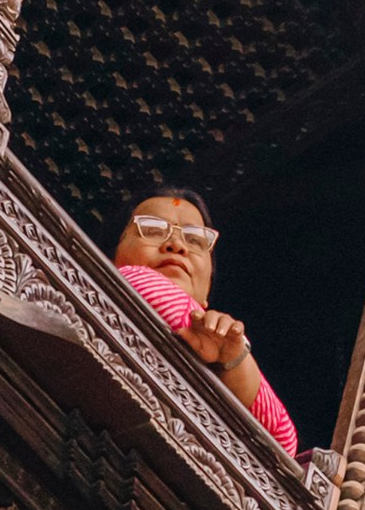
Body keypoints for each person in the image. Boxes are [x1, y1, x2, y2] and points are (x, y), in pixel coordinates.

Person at [113, 187, 298, 454]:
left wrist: (232, 358)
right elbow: (143, 285)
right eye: (152, 229)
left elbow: (284, 441)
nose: (176, 245)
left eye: (195, 240)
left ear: (208, 288)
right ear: (112, 255)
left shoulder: (216, 338)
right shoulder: (132, 278)